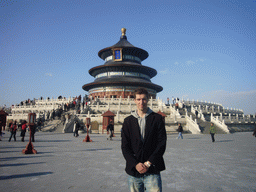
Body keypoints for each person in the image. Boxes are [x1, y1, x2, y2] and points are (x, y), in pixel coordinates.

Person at [121, 88, 167, 192]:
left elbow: (161, 143)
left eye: (144, 99)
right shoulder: (128, 121)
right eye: (138, 99)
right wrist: (135, 164)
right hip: (134, 171)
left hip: (152, 170)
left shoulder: (157, 119)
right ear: (134, 100)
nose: (141, 102)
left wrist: (148, 163)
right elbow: (125, 146)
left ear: (148, 100)